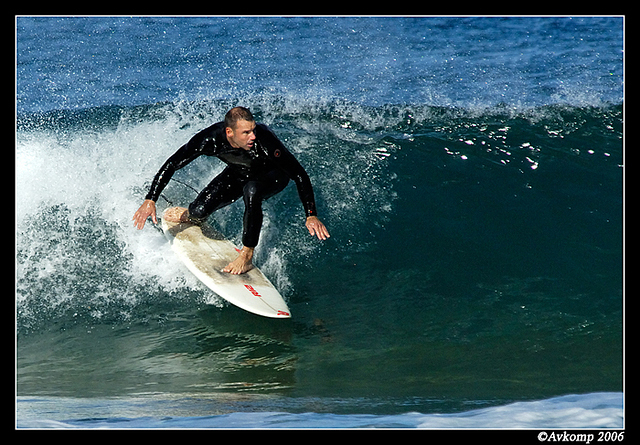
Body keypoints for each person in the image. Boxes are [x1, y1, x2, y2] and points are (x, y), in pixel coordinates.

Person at [132, 106, 330, 274]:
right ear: (229, 133)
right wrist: (151, 199)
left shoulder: (266, 142)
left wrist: (311, 214)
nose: (253, 136)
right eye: (246, 133)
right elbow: (173, 163)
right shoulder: (209, 140)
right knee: (198, 212)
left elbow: (299, 174)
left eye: (253, 130)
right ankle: (191, 215)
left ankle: (247, 255)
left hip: (272, 176)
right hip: (239, 172)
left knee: (252, 191)